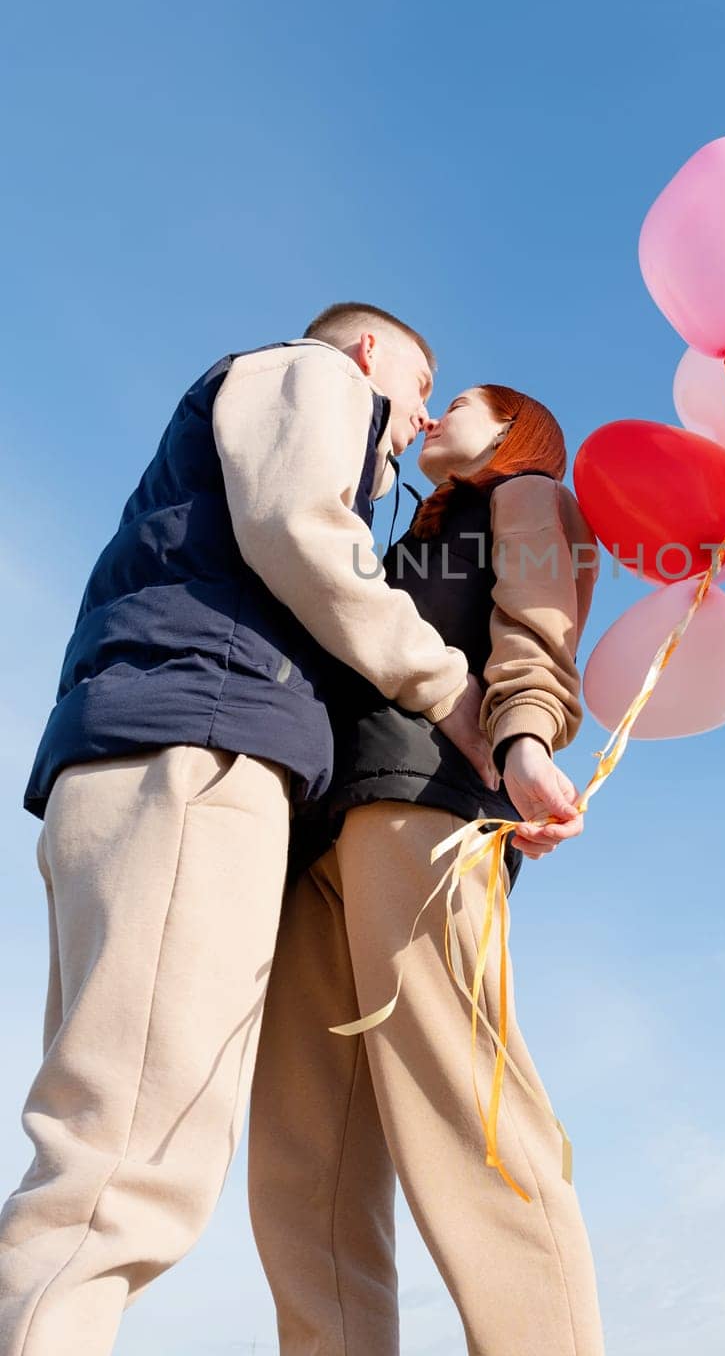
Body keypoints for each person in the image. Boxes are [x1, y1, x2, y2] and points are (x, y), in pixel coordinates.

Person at [0, 303, 529, 1356]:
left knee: (113, 1144)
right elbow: (301, 529)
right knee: (124, 1170)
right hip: (198, 753)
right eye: (420, 391)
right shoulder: (318, 375)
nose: (414, 420)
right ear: (372, 354)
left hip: (155, 753)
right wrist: (457, 699)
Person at [247, 382, 607, 1356]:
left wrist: (528, 740)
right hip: (317, 831)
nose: (436, 412)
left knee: (465, 1117)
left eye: (464, 402)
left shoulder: (529, 498)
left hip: (429, 807)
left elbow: (538, 622)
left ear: (518, 431)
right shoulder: (400, 543)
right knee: (302, 1158)